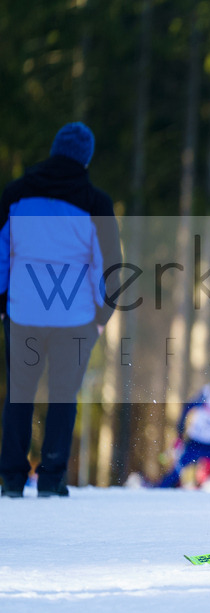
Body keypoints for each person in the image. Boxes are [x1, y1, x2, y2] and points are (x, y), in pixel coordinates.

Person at [0, 122, 122, 498]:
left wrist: (2, 304)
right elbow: (110, 266)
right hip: (74, 318)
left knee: (19, 393)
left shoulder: (16, 194)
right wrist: (104, 315)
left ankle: (11, 479)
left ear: (55, 149)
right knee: (63, 395)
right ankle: (52, 479)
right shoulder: (95, 202)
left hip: (23, 313)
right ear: (85, 157)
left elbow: (1, 253)